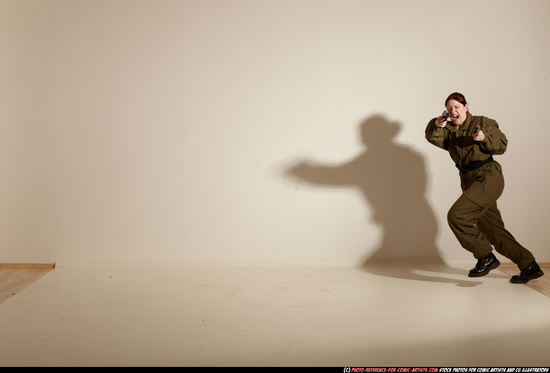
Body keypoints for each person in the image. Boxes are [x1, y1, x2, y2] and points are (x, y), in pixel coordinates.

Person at [425, 92, 544, 283]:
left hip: (488, 176)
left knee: (457, 216)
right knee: (493, 230)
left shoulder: (484, 122)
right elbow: (433, 138)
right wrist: (436, 124)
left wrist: (483, 137)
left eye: (456, 106)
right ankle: (529, 265)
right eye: (449, 108)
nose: (453, 111)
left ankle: (485, 256)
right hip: (469, 180)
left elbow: (502, 145)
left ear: (466, 107)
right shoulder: (449, 130)